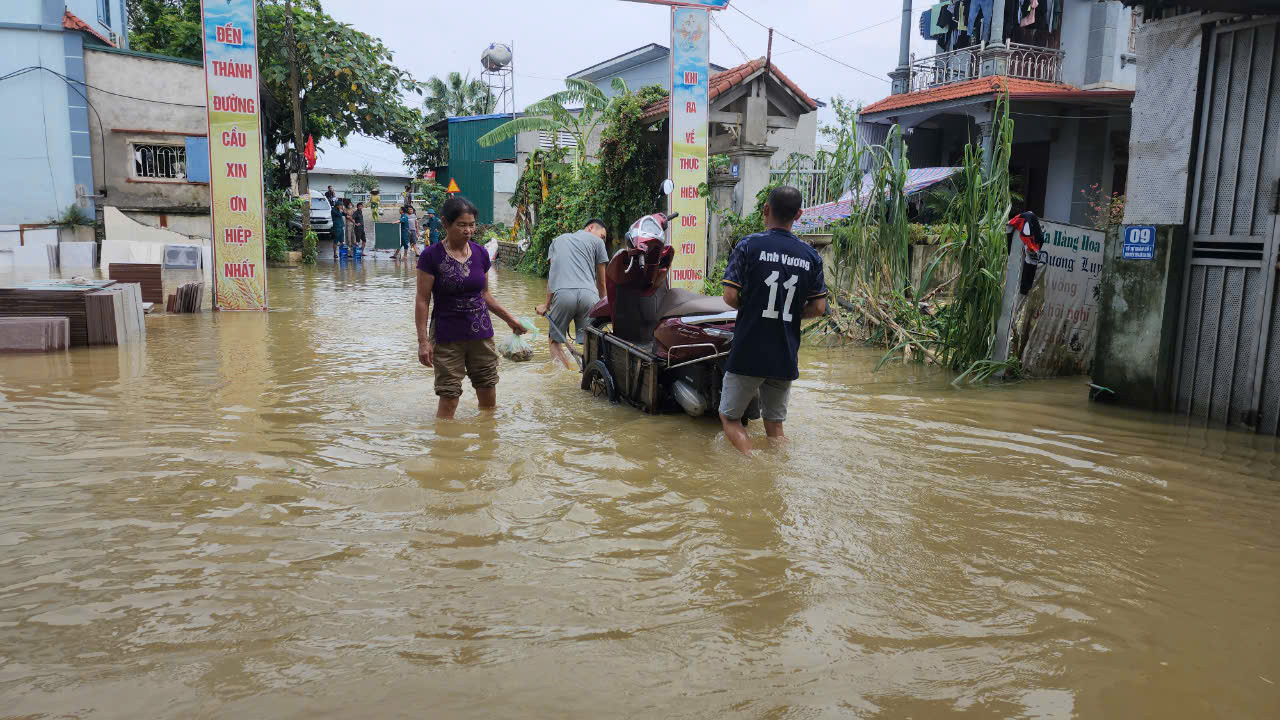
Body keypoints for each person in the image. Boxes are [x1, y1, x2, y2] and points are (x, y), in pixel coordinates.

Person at [718, 186, 828, 457]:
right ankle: (777, 470)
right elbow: (818, 307)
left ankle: (751, 465)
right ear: (799, 215)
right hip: (784, 353)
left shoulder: (748, 246)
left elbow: (730, 296)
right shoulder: (810, 256)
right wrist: (790, 312)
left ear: (766, 210)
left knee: (730, 419)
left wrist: (754, 307)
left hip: (749, 350)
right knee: (775, 428)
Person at [415, 196, 527, 419]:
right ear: (445, 223)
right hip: (447, 336)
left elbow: (484, 294)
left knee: (487, 389)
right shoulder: (431, 256)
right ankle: (445, 448)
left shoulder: (480, 253)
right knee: (449, 396)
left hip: (481, 335)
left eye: (472, 224)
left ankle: (487, 444)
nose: (468, 230)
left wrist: (510, 319)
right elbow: (422, 299)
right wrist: (423, 342)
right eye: (462, 225)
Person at [536, 218, 608, 368]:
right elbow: (601, 282)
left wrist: (546, 305)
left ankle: (560, 377)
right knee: (589, 343)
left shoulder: (557, 241)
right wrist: (605, 309)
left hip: (563, 296)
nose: (603, 239)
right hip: (590, 297)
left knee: (554, 341)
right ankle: (589, 376)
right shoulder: (598, 243)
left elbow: (553, 274)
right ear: (590, 228)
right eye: (602, 236)